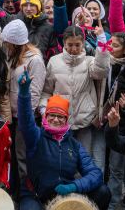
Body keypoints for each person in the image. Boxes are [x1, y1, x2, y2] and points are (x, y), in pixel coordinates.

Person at [16, 76, 109, 210]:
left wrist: (74, 186)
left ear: (66, 120)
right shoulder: (36, 137)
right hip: (36, 195)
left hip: (63, 197)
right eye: (52, 115)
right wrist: (23, 94)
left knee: (103, 191)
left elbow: (95, 174)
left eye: (61, 117)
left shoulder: (74, 144)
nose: (56, 120)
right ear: (46, 116)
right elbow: (25, 120)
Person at [41, 25, 109, 168]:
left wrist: (102, 41)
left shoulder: (89, 61)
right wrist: (44, 111)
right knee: (62, 160)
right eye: (70, 45)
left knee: (84, 159)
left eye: (77, 45)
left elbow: (101, 71)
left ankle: (83, 189)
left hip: (84, 120)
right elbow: (46, 91)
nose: (73, 48)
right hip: (60, 121)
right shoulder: (54, 62)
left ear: (83, 43)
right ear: (64, 44)